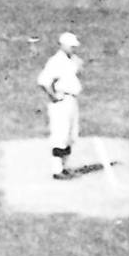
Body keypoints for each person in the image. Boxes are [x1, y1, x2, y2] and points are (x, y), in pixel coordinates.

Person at [38, 31, 84, 180]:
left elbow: (75, 75)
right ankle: (57, 170)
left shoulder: (73, 60)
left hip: (72, 101)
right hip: (61, 103)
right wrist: (53, 96)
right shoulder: (56, 61)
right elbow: (44, 81)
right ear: (63, 45)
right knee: (60, 135)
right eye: (71, 46)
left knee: (71, 135)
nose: (73, 49)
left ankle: (64, 167)